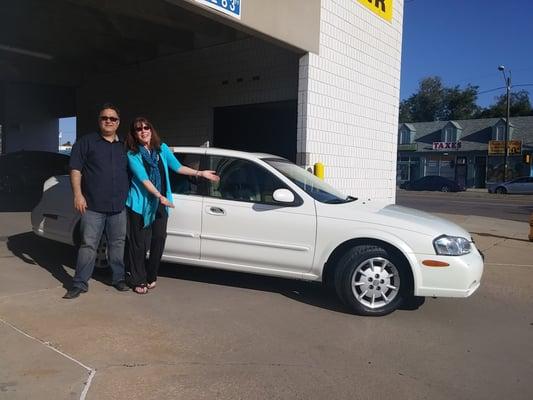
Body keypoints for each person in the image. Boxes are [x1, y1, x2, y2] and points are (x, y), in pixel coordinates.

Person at [124, 117, 219, 294]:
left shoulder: (162, 149)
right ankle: (138, 279)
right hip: (140, 203)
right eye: (139, 129)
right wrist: (159, 196)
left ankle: (151, 276)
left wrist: (200, 173)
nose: (143, 131)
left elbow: (178, 167)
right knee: (139, 244)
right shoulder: (133, 154)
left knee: (158, 239)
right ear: (134, 134)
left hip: (161, 203)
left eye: (146, 127)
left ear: (151, 130)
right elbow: (143, 178)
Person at [63, 103, 130, 299]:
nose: (108, 121)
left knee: (117, 244)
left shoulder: (125, 145)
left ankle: (118, 278)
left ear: (118, 122)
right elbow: (75, 169)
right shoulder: (86, 142)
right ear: (99, 120)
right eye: (104, 118)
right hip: (92, 206)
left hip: (118, 206)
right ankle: (79, 283)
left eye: (113, 118)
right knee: (88, 245)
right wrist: (78, 194)